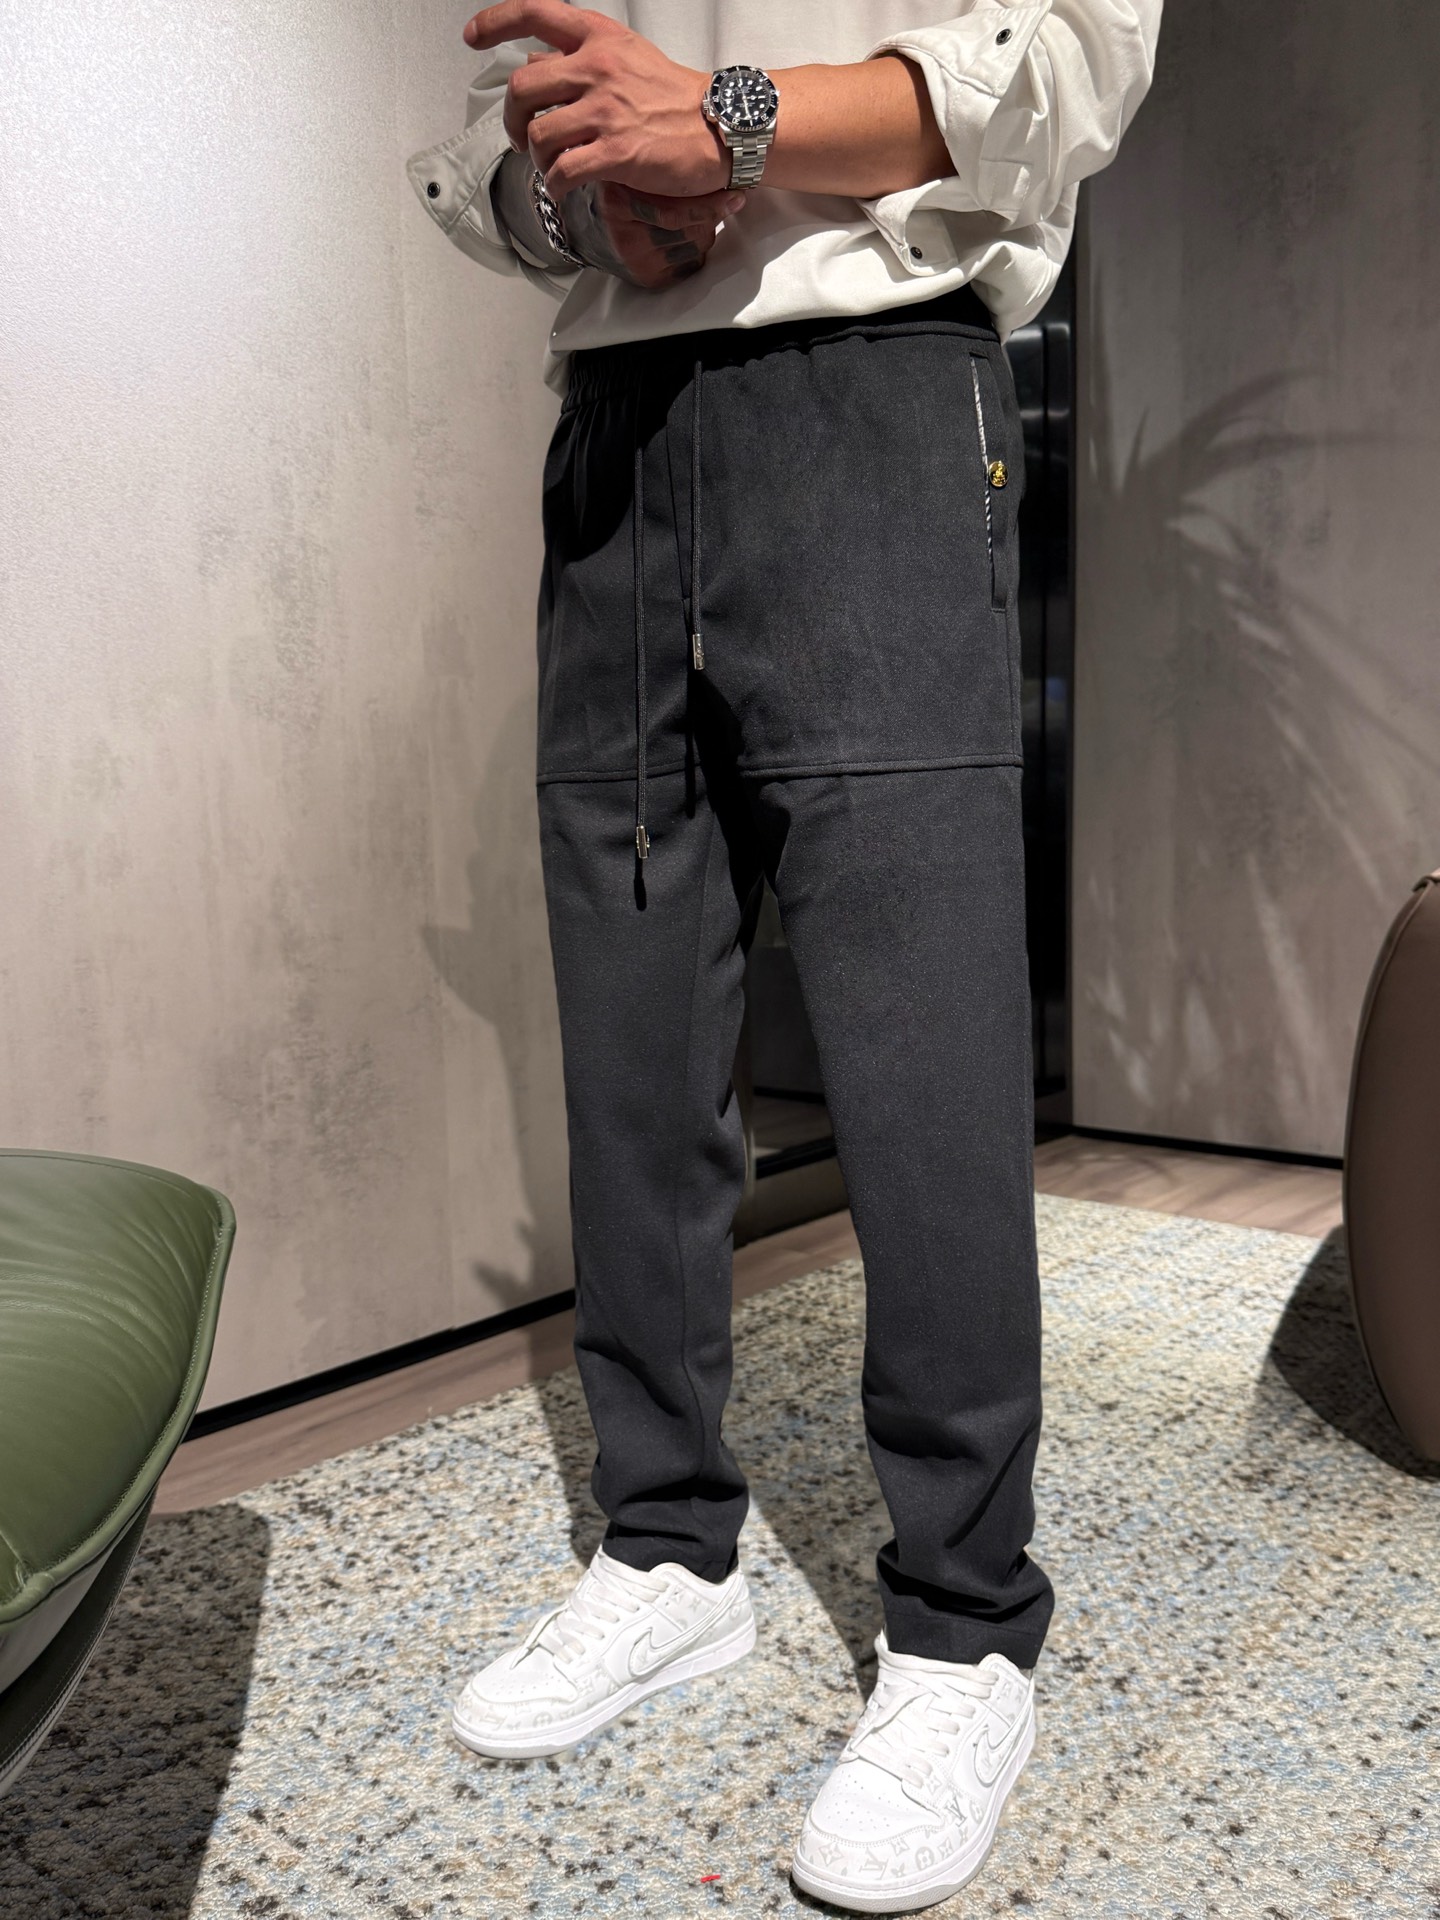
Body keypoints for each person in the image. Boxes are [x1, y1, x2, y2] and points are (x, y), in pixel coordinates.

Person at [407, 2, 1159, 1908]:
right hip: (616, 433)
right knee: (632, 1034)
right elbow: (474, 144)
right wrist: (577, 201)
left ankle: (967, 1624)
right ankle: (668, 1547)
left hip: (879, 391)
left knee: (921, 1059)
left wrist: (734, 120)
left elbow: (1078, 59)